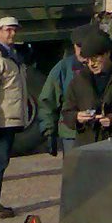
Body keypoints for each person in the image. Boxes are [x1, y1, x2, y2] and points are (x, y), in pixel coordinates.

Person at [0, 17, 29, 219]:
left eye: (14, 30)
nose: (12, 34)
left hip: (8, 119)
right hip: (0, 121)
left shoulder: (11, 54)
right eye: (7, 30)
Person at [37, 25, 91, 155]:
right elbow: (47, 100)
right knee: (73, 172)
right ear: (74, 46)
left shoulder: (102, 66)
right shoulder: (63, 68)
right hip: (71, 133)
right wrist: (49, 132)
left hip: (98, 132)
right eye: (79, 46)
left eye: (85, 46)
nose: (82, 50)